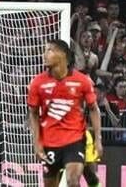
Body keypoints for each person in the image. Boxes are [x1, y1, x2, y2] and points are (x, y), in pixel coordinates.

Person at [27, 39, 103, 187]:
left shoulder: (82, 81)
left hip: (75, 139)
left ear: (62, 55)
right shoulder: (37, 83)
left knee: (73, 180)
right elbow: (33, 114)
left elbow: (94, 109)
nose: (44, 55)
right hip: (50, 141)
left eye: (49, 50)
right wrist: (36, 143)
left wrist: (98, 140)